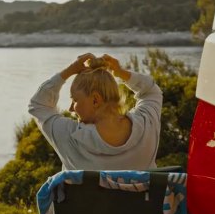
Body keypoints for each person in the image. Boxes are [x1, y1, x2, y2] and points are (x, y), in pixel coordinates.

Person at [28, 53, 162, 170]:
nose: (70, 109)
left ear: (95, 100)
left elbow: (38, 104)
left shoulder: (70, 136)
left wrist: (69, 70)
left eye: (75, 100)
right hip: (141, 200)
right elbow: (151, 91)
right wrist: (120, 72)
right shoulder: (146, 124)